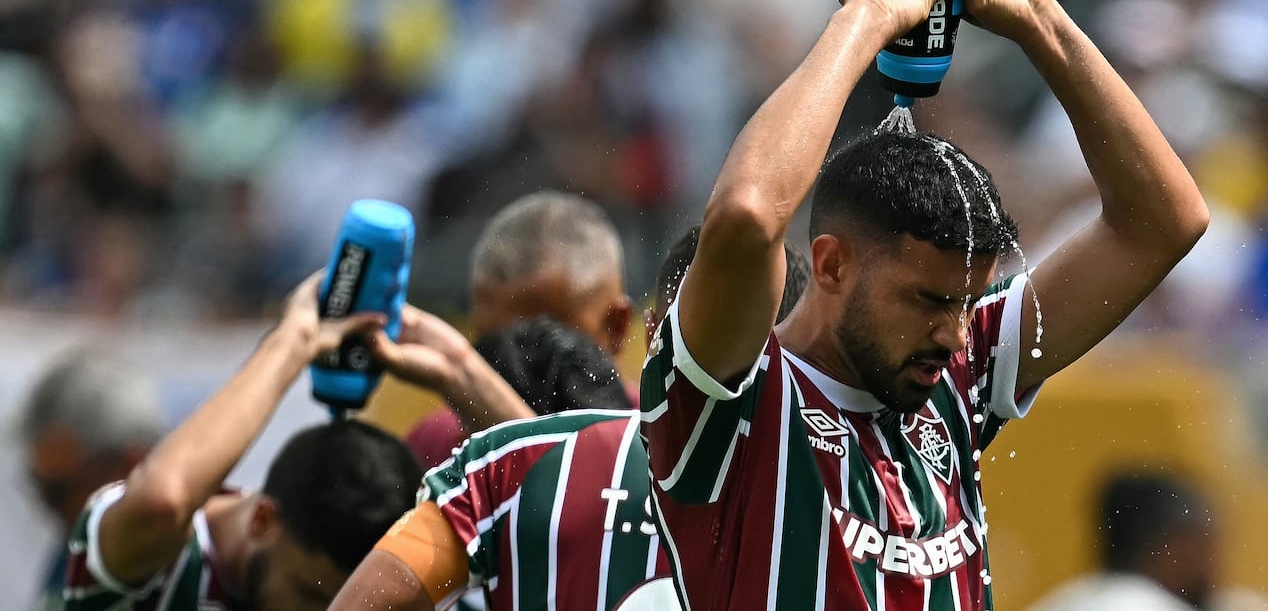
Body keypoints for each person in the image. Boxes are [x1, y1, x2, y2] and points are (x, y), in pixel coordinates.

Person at [639, 0, 1208, 610]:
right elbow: (747, 216)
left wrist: (1039, 22)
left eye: (968, 303)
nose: (957, 333)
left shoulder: (954, 381)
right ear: (831, 264)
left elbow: (1164, 223)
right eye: (929, 301)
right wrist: (862, 22)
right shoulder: (730, 401)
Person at [327, 226, 813, 611]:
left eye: (553, 325)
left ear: (634, 328)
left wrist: (463, 375)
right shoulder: (449, 450)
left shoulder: (508, 466)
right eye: (491, 335)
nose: (521, 351)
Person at [60, 271, 531, 610]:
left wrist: (460, 370)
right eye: (311, 598)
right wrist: (292, 342)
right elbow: (161, 501)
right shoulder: (154, 567)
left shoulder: (398, 589)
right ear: (264, 519)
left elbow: (580, 521)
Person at [405, 190, 634, 468]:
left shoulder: (667, 446)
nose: (512, 366)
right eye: (490, 348)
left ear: (616, 327)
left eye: (545, 343)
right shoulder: (436, 446)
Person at [18, 352, 165, 610]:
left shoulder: (177, 573)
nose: (46, 508)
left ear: (130, 465)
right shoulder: (76, 549)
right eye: (37, 484)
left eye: (57, 492)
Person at [1028, 473, 1268, 611]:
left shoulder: (1063, 601)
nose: (1216, 564)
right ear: (1173, 547)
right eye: (1205, 545)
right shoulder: (1138, 604)